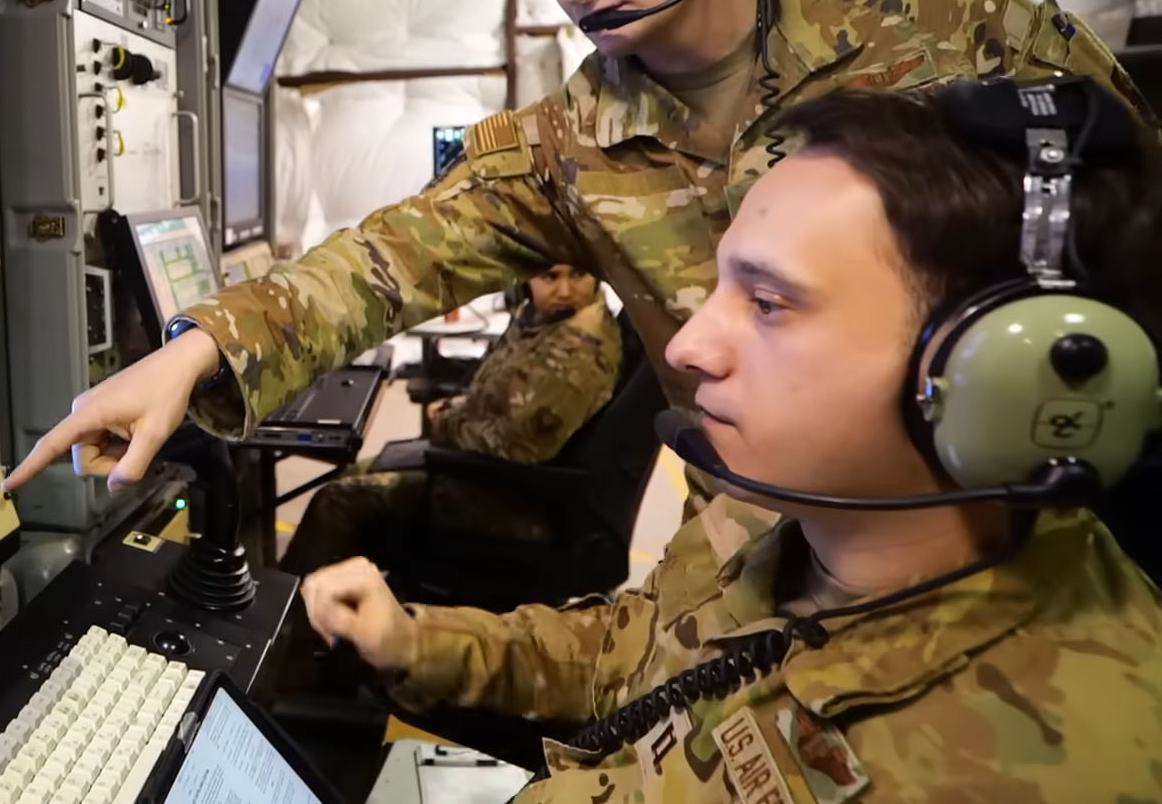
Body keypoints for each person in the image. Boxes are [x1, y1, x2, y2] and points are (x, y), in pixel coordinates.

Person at [1, 0, 1153, 501]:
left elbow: (1142, 203)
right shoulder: (564, 143)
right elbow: (384, 258)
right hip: (767, 529)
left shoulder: (954, 24)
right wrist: (193, 351)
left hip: (1018, 499)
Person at [298, 81, 1162, 800]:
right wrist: (414, 640)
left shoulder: (1051, 766)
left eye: (770, 302)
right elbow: (637, 650)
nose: (685, 347)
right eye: (722, 285)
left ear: (1001, 385)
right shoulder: (778, 519)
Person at [279, 264, 621, 576]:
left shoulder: (575, 348)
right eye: (550, 277)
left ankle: (292, 629)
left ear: (596, 276)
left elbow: (520, 448)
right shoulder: (545, 320)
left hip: (508, 498)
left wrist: (447, 422)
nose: (564, 290)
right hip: (485, 472)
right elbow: (505, 396)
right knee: (353, 474)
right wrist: (459, 408)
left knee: (336, 501)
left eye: (577, 275)